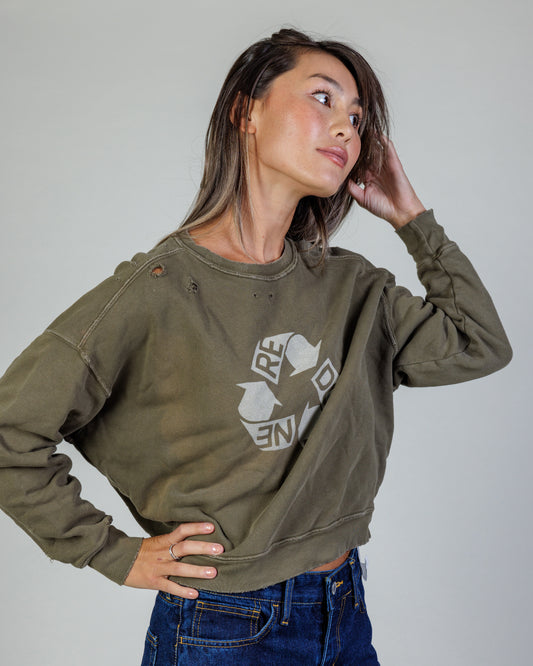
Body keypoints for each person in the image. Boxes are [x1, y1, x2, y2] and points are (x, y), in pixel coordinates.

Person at [0, 28, 512, 665]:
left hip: (344, 608)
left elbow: (477, 343)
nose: (346, 128)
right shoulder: (157, 290)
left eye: (356, 118)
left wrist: (412, 218)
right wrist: (113, 554)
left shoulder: (354, 288)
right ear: (247, 111)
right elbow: (10, 431)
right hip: (224, 627)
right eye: (322, 98)